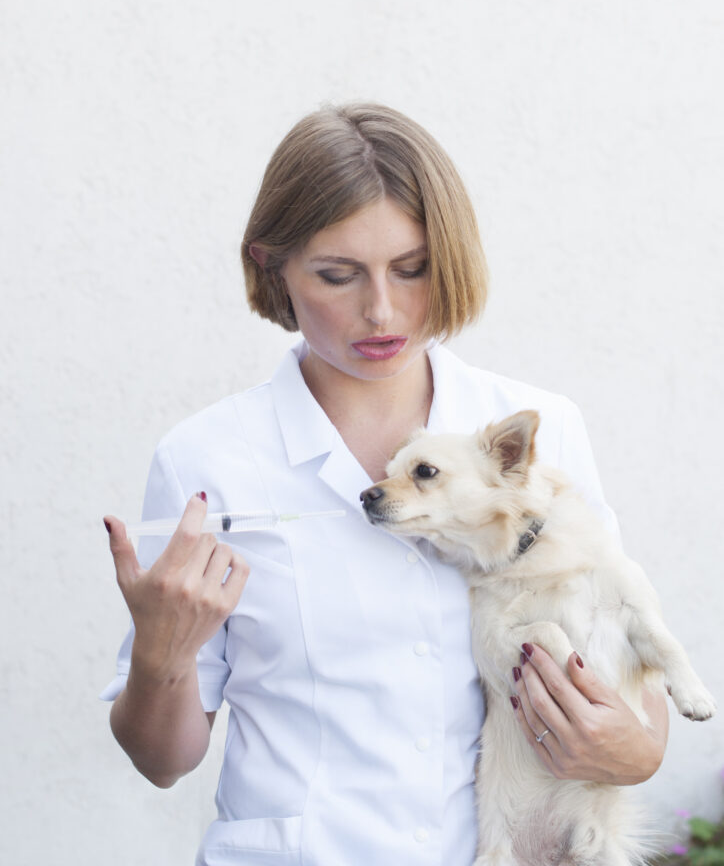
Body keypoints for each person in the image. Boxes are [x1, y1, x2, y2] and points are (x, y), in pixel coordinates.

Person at [102, 103, 668, 866]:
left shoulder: (539, 433)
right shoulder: (208, 460)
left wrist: (633, 754)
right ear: (272, 265)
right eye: (338, 274)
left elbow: (636, 698)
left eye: (413, 269)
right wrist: (162, 656)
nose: (382, 310)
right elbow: (162, 760)